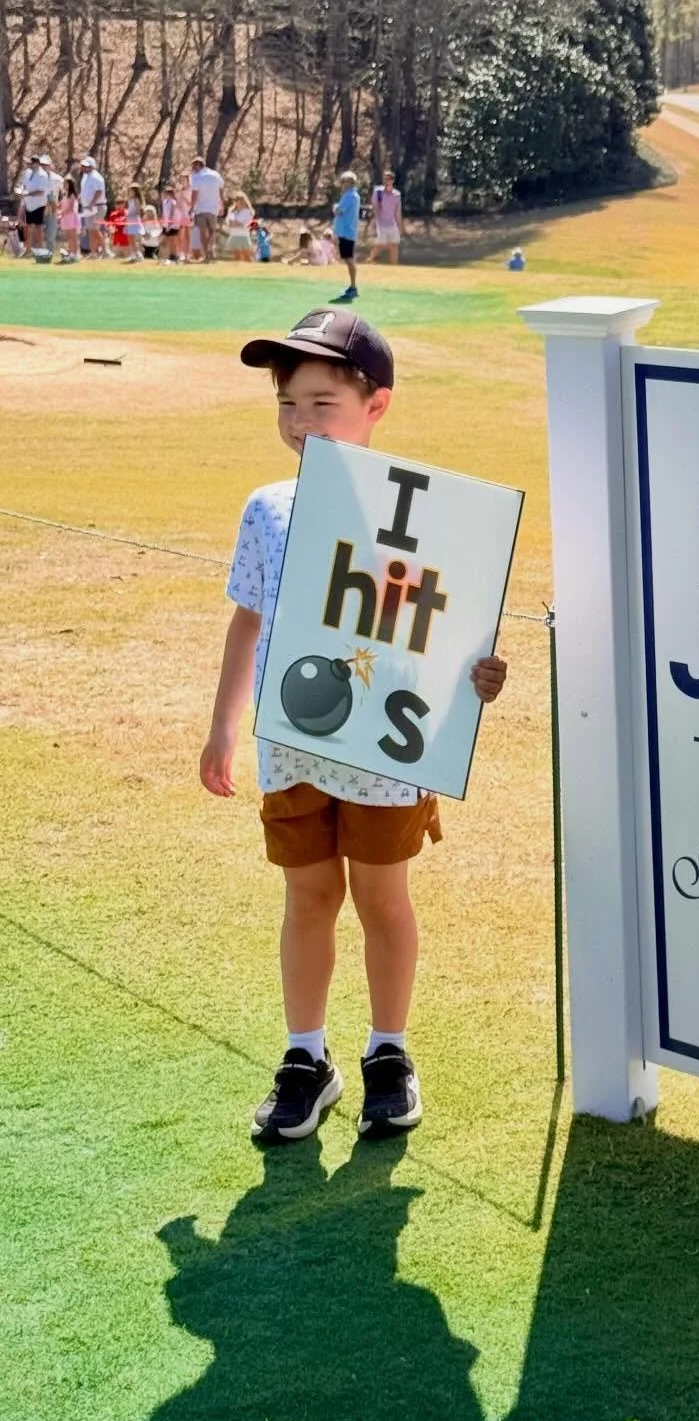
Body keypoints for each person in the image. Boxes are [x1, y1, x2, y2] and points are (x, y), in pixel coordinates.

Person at [200, 308, 509, 1142]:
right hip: (291, 750)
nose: (301, 422)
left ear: (377, 405)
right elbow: (247, 621)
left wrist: (479, 675)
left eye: (322, 403)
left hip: (383, 754)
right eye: (288, 404)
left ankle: (387, 1054)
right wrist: (224, 727)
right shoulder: (266, 508)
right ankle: (307, 1059)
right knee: (307, 897)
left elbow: (449, 634)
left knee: (381, 897)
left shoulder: (418, 519)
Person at [331, 170, 361, 302]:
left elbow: (338, 210)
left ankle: (353, 287)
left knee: (349, 259)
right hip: (347, 231)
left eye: (344, 182)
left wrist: (335, 207)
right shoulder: (352, 195)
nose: (342, 184)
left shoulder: (350, 196)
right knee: (348, 259)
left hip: (347, 232)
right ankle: (352, 287)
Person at [189, 154, 224, 262]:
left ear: (197, 166)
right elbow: (221, 190)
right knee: (212, 232)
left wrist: (191, 207)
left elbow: (194, 194)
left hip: (200, 209)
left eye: (193, 166)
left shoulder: (196, 177)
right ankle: (210, 252)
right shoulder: (216, 175)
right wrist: (221, 205)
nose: (193, 169)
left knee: (203, 233)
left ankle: (207, 253)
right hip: (213, 208)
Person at [368, 170, 402, 266]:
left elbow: (398, 211)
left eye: (389, 179)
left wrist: (400, 226)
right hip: (381, 223)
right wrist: (374, 223)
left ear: (393, 180)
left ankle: (394, 266)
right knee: (381, 244)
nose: (387, 181)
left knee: (394, 245)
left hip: (392, 223)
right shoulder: (378, 192)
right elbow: (375, 208)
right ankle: (370, 259)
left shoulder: (397, 194)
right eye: (385, 179)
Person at [79, 155, 109, 258]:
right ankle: (93, 253)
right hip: (87, 207)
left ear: (92, 167)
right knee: (90, 230)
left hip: (97, 206)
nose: (84, 168)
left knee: (95, 229)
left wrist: (92, 203)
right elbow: (85, 191)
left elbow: (99, 191)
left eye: (86, 166)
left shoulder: (96, 177)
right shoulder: (85, 177)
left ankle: (105, 251)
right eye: (83, 166)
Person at [19, 153, 48, 253]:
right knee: (27, 226)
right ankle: (28, 250)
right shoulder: (28, 172)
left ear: (36, 164)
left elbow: (41, 191)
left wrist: (28, 193)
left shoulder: (42, 175)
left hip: (38, 205)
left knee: (38, 227)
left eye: (31, 163)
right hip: (29, 204)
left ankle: (40, 249)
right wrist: (22, 190)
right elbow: (24, 185)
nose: (29, 165)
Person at [222, 193, 256, 261]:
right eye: (237, 200)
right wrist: (231, 223)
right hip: (234, 234)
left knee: (246, 255)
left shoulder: (248, 211)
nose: (239, 202)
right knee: (237, 255)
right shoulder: (232, 211)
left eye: (241, 200)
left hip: (243, 235)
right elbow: (228, 221)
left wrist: (240, 224)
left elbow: (250, 223)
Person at [161, 180, 189, 262]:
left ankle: (175, 254)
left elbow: (172, 213)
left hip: (173, 224)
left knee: (173, 239)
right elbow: (164, 213)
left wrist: (170, 223)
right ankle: (171, 254)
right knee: (169, 239)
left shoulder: (173, 202)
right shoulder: (165, 202)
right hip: (166, 224)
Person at [57, 176, 80, 260]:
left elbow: (71, 207)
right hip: (65, 218)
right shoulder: (64, 194)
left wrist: (61, 213)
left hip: (71, 217)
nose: (64, 185)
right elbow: (60, 205)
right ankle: (71, 253)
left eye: (66, 184)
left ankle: (76, 254)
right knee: (68, 237)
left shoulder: (72, 195)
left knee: (73, 237)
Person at [124, 184, 144, 260]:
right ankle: (132, 253)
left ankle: (138, 254)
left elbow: (138, 211)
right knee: (130, 238)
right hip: (129, 219)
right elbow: (127, 210)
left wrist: (135, 218)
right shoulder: (128, 200)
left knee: (135, 238)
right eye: (129, 191)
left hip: (135, 219)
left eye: (132, 191)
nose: (130, 192)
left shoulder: (136, 200)